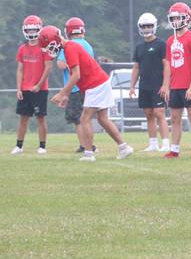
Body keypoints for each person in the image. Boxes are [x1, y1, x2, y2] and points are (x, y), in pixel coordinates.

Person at [40, 26, 134, 161]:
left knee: (84, 119)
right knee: (102, 119)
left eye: (48, 46)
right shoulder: (69, 48)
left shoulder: (70, 48)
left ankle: (89, 154)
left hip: (96, 85)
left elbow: (76, 75)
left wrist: (62, 94)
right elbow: (78, 75)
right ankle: (124, 147)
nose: (49, 50)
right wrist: (66, 95)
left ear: (54, 41)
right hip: (100, 82)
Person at [164, 2, 191, 159]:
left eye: (177, 18)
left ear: (186, 18)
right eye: (172, 18)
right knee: (174, 118)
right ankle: (174, 149)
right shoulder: (169, 40)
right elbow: (168, 65)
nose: (174, 21)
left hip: (188, 86)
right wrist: (167, 86)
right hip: (175, 86)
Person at [11, 15, 52, 155]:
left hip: (40, 89)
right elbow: (20, 70)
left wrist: (39, 85)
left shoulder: (44, 48)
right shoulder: (22, 48)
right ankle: (19, 146)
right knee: (23, 118)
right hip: (25, 89)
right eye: (28, 30)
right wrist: (19, 88)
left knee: (40, 117)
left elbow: (48, 68)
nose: (31, 32)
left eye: (34, 29)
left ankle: (42, 146)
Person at [130, 13, 170, 152]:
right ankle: (153, 143)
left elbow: (166, 65)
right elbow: (136, 67)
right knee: (148, 114)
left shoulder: (161, 44)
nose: (146, 29)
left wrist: (165, 85)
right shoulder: (139, 46)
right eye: (144, 26)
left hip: (158, 85)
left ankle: (165, 143)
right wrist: (132, 86)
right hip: (144, 85)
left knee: (159, 113)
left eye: (149, 26)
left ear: (154, 26)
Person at [56, 17, 94, 153]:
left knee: (77, 119)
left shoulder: (68, 45)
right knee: (87, 117)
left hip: (74, 87)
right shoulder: (88, 45)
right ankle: (91, 144)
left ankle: (84, 145)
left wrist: (71, 64)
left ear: (68, 31)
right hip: (87, 86)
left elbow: (60, 64)